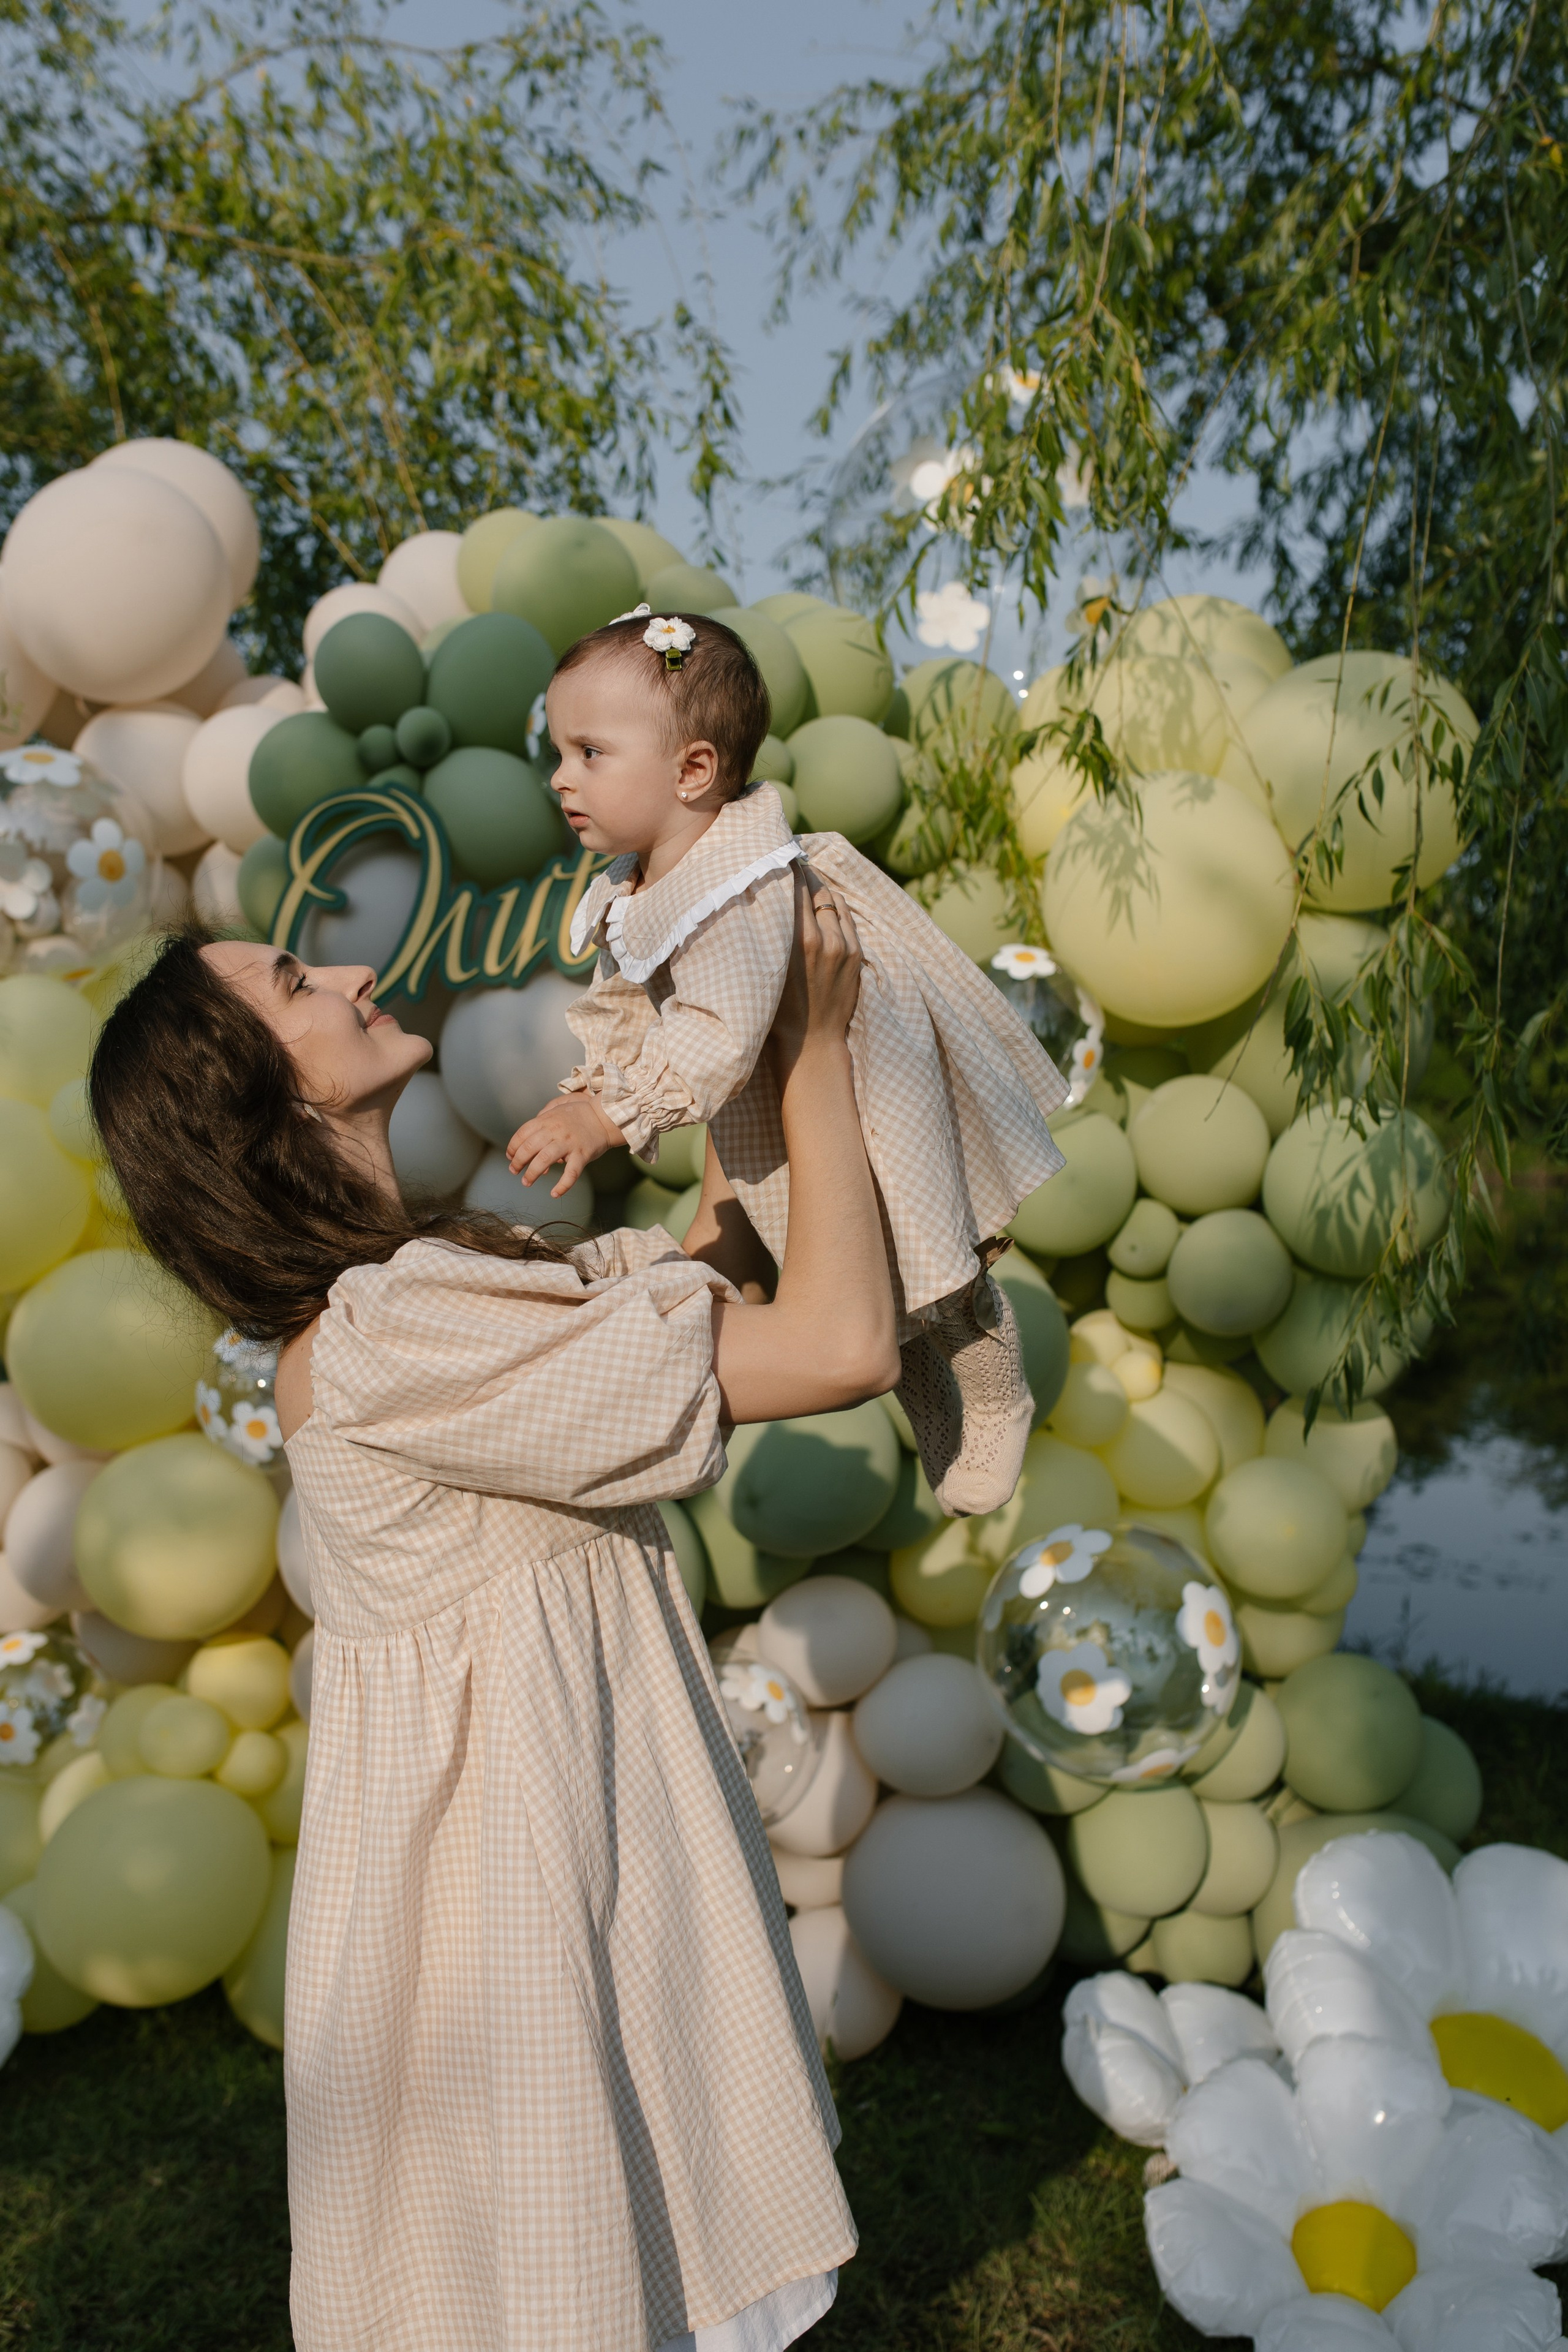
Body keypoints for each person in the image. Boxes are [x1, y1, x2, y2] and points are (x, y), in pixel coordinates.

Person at [87, 874, 892, 2352]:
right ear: (250, 1094)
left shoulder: (426, 1289)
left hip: (572, 1864)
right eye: (291, 981)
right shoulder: (393, 1332)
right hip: (517, 1918)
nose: (343, 971)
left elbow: (723, 1261)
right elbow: (836, 1345)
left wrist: (709, 1032)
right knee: (575, 2281)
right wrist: (831, 1055)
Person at [506, 606, 1066, 1519]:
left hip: (864, 1078)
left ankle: (992, 1378)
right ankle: (922, 1385)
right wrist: (596, 1081)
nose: (562, 779)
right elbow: (628, 998)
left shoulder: (739, 886)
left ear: (694, 771)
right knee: (841, 1254)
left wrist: (609, 1114)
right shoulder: (652, 877)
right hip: (773, 1094)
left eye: (588, 754)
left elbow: (721, 1025)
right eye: (560, 755)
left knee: (921, 1239)